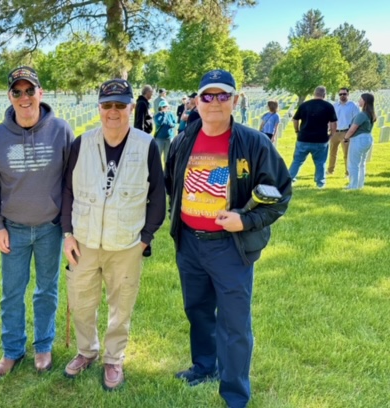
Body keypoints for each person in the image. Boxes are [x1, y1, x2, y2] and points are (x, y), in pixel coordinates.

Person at [165, 69, 291, 408]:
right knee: (198, 310)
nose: (215, 102)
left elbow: (280, 193)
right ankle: (205, 366)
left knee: (235, 323)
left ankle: (235, 393)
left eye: (223, 95)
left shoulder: (253, 143)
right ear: (197, 100)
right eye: (208, 95)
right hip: (190, 244)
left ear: (235, 100)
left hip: (230, 247)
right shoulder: (183, 140)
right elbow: (170, 185)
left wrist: (245, 219)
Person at [61, 78, 165, 391]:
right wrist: (67, 233)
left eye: (121, 105)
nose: (114, 112)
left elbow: (158, 195)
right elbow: (67, 190)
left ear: (131, 107)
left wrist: (145, 238)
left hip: (126, 245)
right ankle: (86, 351)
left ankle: (113, 358)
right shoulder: (81, 143)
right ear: (99, 109)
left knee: (121, 307)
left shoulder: (145, 145)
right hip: (84, 242)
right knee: (81, 302)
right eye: (107, 105)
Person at [0, 66, 74, 377]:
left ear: (40, 93)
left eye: (29, 90)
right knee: (12, 293)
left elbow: (70, 182)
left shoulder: (61, 130)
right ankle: (12, 351)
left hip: (50, 228)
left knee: (46, 290)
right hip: (14, 229)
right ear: (10, 96)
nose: (24, 97)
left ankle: (44, 345)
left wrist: (68, 228)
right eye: (17, 92)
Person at [289, 86, 337, 188]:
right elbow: (333, 123)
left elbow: (295, 119)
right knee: (320, 163)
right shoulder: (328, 106)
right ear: (324, 95)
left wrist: (297, 130)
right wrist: (332, 134)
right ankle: (320, 183)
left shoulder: (304, 105)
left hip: (304, 138)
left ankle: (289, 180)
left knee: (297, 161)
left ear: (314, 94)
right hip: (320, 139)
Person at [344, 93, 376, 190]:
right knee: (361, 164)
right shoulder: (371, 114)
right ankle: (359, 185)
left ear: (365, 101)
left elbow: (353, 129)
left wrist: (346, 137)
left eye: (360, 99)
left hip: (359, 139)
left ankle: (353, 186)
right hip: (368, 138)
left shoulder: (362, 115)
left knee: (353, 163)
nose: (359, 101)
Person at [330, 87, 359, 176]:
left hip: (346, 132)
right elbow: (331, 119)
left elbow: (356, 119)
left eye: (344, 94)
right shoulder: (335, 105)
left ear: (348, 94)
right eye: (340, 94)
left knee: (346, 154)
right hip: (335, 132)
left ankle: (347, 172)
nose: (342, 96)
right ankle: (330, 170)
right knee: (332, 152)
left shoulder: (353, 105)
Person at [153, 99, 177, 165]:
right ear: (160, 107)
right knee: (158, 156)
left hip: (169, 138)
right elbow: (160, 123)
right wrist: (164, 114)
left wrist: (172, 125)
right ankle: (157, 172)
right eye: (164, 107)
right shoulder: (157, 116)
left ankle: (166, 173)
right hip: (160, 139)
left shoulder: (170, 114)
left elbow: (175, 123)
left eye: (166, 106)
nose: (165, 108)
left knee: (167, 157)